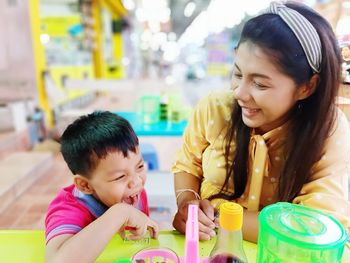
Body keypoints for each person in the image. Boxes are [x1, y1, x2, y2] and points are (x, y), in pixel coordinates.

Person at [172, 1, 350, 243]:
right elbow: (187, 164)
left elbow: (317, 226)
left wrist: (215, 217)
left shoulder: (329, 130)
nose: (239, 93)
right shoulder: (215, 108)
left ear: (307, 86)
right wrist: (187, 203)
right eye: (237, 74)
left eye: (260, 84)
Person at [45, 111, 159, 262]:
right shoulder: (69, 208)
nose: (136, 181)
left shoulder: (131, 192)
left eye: (139, 167)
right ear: (85, 185)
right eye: (120, 177)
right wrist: (120, 213)